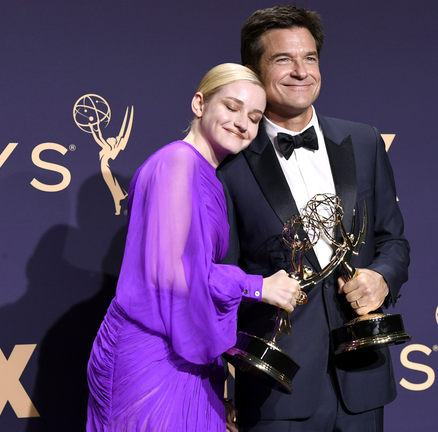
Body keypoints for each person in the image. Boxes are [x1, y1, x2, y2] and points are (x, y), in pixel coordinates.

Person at [217, 6, 411, 432]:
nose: (301, 71)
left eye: (310, 58)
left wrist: (381, 278)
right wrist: (222, 388)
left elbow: (392, 241)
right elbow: (220, 281)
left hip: (362, 377)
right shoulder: (228, 165)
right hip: (275, 387)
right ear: (253, 69)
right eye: (283, 59)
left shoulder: (362, 141)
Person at [86, 63, 302, 432]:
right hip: (153, 354)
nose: (242, 123)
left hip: (184, 352)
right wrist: (256, 286)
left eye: (253, 116)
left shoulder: (207, 174)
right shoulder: (176, 163)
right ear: (199, 104)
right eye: (231, 107)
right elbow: (174, 275)